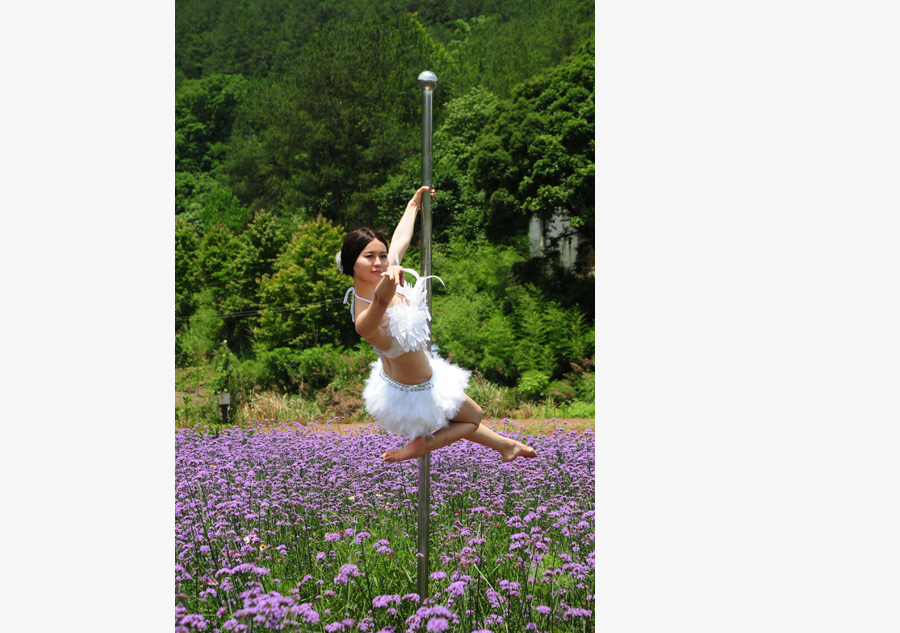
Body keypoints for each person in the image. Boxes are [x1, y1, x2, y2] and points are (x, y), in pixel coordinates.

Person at [338, 186, 538, 463]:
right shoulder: (364, 315)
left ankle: (506, 446)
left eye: (381, 256)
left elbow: (401, 240)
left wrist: (413, 205)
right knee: (474, 416)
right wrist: (390, 275)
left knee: (461, 417)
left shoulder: (386, 272)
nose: (379, 262)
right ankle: (421, 446)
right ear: (351, 262)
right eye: (368, 257)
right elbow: (381, 301)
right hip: (415, 389)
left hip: (425, 371)